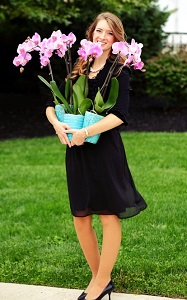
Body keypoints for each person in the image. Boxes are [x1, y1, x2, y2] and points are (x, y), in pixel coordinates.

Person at [44, 11, 147, 300]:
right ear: (91, 34)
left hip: (104, 151)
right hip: (76, 152)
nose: (102, 37)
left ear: (117, 39)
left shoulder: (119, 71)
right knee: (80, 217)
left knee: (107, 215)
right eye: (98, 31)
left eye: (109, 33)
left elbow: (120, 115)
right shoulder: (78, 67)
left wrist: (86, 132)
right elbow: (52, 104)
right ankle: (99, 278)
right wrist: (56, 124)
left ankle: (101, 283)